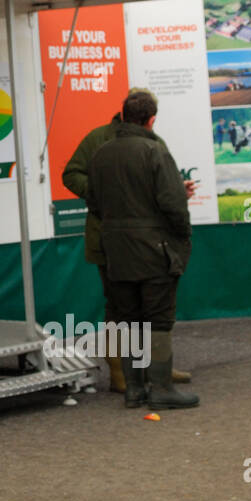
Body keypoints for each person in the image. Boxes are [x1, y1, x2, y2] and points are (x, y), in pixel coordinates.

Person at [63, 89, 192, 393]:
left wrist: (177, 189)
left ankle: (155, 370)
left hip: (139, 239)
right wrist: (107, 198)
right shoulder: (99, 139)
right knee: (121, 309)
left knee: (147, 308)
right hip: (110, 239)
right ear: (150, 118)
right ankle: (120, 372)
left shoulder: (154, 143)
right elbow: (71, 175)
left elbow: (160, 190)